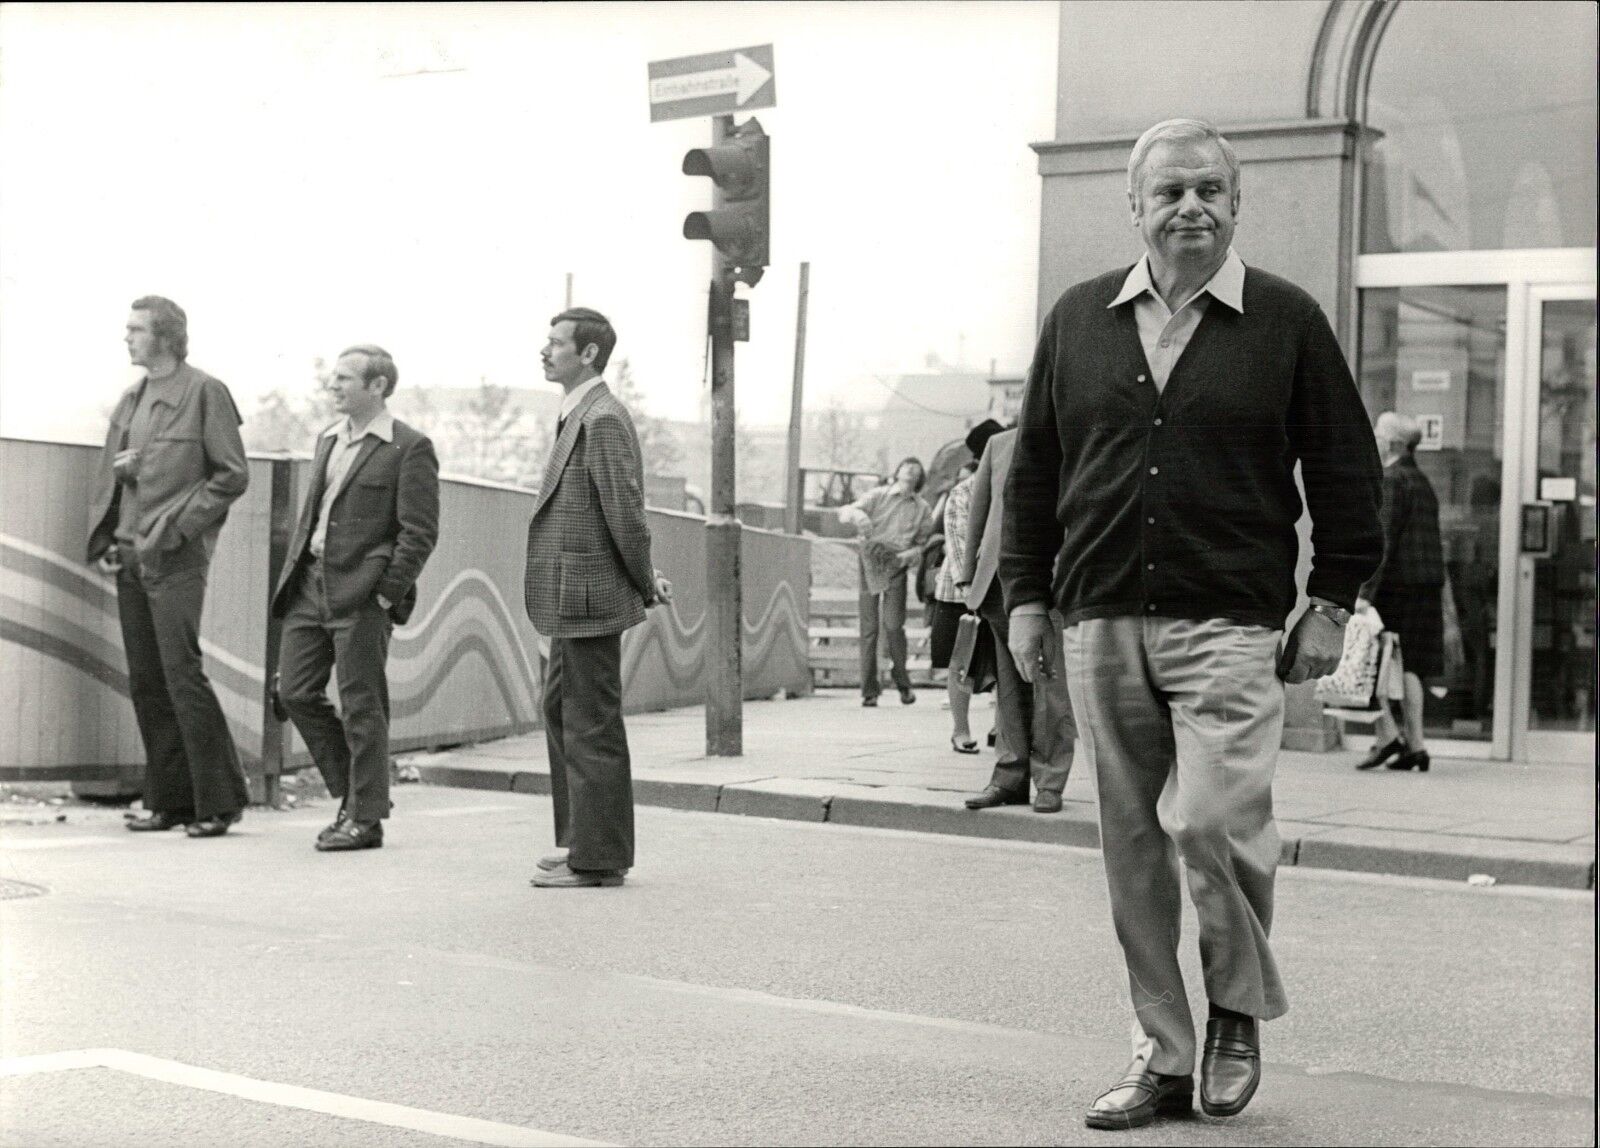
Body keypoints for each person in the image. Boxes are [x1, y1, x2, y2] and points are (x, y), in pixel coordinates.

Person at [1001, 119, 1383, 1130]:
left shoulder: (1285, 320)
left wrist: (1331, 602)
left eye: (1209, 190)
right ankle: (1163, 1053)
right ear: (1134, 207)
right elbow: (1034, 467)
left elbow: (1347, 473)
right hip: (1099, 617)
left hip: (1229, 622)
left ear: (1235, 204)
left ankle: (1235, 1010)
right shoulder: (1079, 318)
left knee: (1210, 823)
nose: (1190, 207)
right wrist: (1026, 595)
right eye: (1169, 192)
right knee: (1129, 845)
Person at [87, 296, 251, 839]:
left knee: (182, 676)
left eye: (135, 329)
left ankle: (219, 803)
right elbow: (118, 478)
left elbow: (231, 476)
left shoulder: (204, 393)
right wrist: (112, 533)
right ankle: (169, 802)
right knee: (148, 683)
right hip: (132, 554)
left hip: (175, 556)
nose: (126, 337)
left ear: (166, 336)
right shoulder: (132, 398)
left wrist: (178, 529)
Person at [524, 308, 672, 889]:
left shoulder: (602, 417)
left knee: (590, 724)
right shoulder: (577, 412)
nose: (544, 350)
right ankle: (580, 841)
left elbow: (625, 511)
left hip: (588, 595)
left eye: (556, 343)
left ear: (588, 354)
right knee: (563, 710)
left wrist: (643, 579)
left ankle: (599, 858)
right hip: (571, 597)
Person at [272, 345, 440, 852]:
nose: (333, 386)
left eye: (345, 379)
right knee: (295, 691)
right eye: (333, 378)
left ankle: (365, 821)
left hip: (362, 594)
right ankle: (357, 797)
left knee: (363, 704)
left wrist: (386, 596)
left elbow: (420, 532)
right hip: (309, 584)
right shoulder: (328, 439)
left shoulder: (408, 447)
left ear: (378, 387)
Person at [959, 423, 1077, 814]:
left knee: (1050, 688)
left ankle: (1049, 782)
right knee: (1008, 687)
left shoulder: (1074, 438)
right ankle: (1009, 777)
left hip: (1051, 582)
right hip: (996, 582)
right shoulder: (999, 444)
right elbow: (979, 512)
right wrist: (966, 572)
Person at [1355, 411, 1444, 772]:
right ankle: (1416, 745)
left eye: (1377, 435)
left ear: (1392, 444)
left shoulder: (1391, 480)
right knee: (1411, 668)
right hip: (1425, 586)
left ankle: (1389, 735)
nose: (1373, 440)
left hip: (1395, 588)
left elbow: (1383, 541)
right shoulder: (1423, 481)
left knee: (1374, 662)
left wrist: (1364, 593)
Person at [841, 458, 933, 707]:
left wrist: (910, 555)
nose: (911, 468)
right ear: (898, 472)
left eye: (916, 467)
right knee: (869, 626)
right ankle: (869, 690)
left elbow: (922, 543)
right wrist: (859, 517)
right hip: (871, 560)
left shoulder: (922, 508)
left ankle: (902, 683)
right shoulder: (878, 495)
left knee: (894, 626)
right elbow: (847, 510)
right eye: (906, 465)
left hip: (897, 565)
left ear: (919, 478)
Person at [931, 454, 981, 752]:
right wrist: (969, 586)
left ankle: (1002, 728)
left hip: (1001, 583)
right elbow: (958, 541)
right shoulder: (964, 491)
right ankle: (960, 729)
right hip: (961, 588)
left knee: (1004, 663)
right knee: (960, 660)